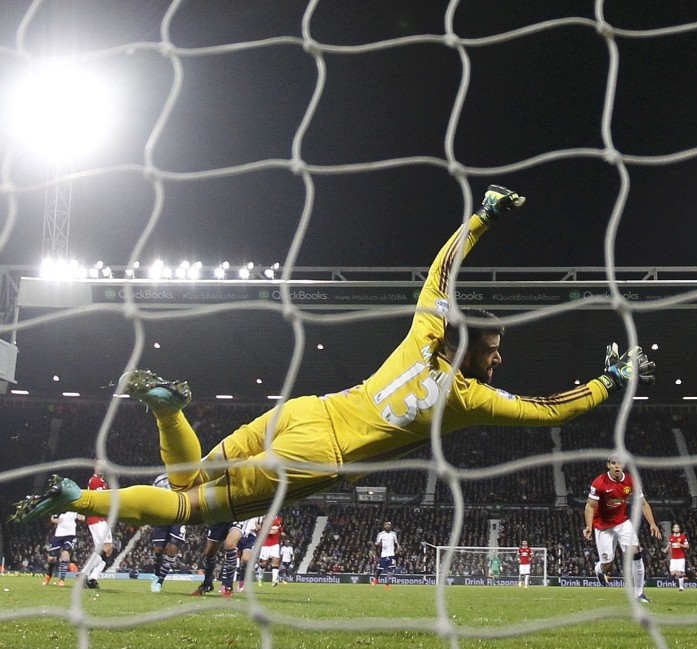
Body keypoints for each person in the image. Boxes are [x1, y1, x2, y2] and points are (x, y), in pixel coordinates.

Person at [12, 185, 656, 528]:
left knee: (187, 479)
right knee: (184, 507)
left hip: (301, 412)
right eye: (492, 352)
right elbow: (547, 414)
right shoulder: (468, 399)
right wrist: (610, 378)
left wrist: (480, 218)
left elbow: (439, 276)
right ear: (466, 351)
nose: (497, 363)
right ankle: (81, 497)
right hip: (319, 457)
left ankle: (163, 416)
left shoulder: (422, 339)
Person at [583, 456, 662, 604]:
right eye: (614, 463)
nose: (617, 466)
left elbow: (643, 504)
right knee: (608, 562)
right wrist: (588, 526)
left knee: (636, 553)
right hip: (603, 526)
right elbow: (590, 506)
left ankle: (639, 594)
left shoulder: (631, 481)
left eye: (620, 463)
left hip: (622, 522)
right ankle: (599, 569)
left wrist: (653, 523)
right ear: (608, 465)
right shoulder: (599, 482)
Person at [149, 473, 187, 593]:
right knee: (158, 550)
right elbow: (152, 497)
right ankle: (156, 573)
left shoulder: (185, 477)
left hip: (180, 515)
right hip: (163, 516)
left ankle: (160, 581)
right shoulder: (160, 479)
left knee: (173, 546)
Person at [83, 468, 115, 589]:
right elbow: (100, 500)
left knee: (104, 551)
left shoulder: (102, 482)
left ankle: (93, 578)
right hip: (97, 519)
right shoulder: (95, 481)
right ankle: (84, 574)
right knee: (107, 548)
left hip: (99, 519)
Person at [44, 510, 82, 587]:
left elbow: (82, 516)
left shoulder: (74, 508)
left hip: (70, 535)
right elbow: (52, 519)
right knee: (51, 558)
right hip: (58, 535)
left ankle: (62, 579)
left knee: (65, 555)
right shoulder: (60, 508)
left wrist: (82, 517)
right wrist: (56, 520)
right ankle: (49, 574)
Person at [256, 515, 285, 586]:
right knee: (264, 563)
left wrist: (281, 533)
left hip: (275, 543)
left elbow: (280, 530)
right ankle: (260, 577)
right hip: (265, 544)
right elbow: (260, 531)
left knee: (276, 561)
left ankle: (274, 580)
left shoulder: (279, 519)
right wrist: (269, 532)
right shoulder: (264, 520)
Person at [372, 520, 399, 588]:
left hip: (391, 554)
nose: (387, 526)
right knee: (379, 569)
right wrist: (376, 545)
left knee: (392, 570)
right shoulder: (381, 534)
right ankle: (375, 580)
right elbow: (377, 543)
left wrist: (398, 549)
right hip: (383, 554)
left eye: (389, 525)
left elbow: (396, 543)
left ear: (391, 526)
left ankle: (387, 584)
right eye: (386, 524)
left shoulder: (393, 534)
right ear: (384, 526)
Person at [664, 522, 689, 591]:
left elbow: (687, 546)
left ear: (679, 529)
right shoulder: (671, 537)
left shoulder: (682, 537)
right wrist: (666, 549)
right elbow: (669, 545)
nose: (676, 528)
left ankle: (681, 587)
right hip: (673, 558)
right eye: (675, 527)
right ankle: (679, 581)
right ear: (673, 529)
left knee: (679, 573)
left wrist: (681, 545)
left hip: (681, 557)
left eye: (677, 527)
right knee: (672, 572)